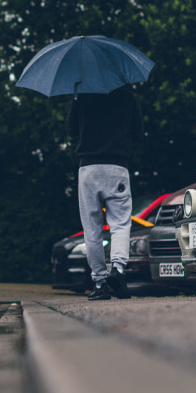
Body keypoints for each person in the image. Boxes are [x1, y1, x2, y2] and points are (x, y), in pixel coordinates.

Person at [66, 84, 143, 300]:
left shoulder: (82, 93)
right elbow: (138, 133)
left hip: (88, 168)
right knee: (120, 223)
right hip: (117, 166)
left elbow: (71, 130)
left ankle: (100, 284)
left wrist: (76, 98)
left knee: (92, 228)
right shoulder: (127, 94)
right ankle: (118, 271)